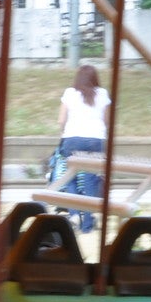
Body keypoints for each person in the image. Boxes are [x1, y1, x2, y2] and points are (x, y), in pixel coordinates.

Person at [57, 65, 111, 232]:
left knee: (70, 177)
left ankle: (73, 215)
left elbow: (61, 120)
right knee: (90, 180)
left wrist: (64, 134)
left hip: (72, 138)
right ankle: (87, 224)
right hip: (96, 140)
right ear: (95, 78)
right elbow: (107, 121)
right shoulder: (102, 94)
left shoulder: (69, 93)